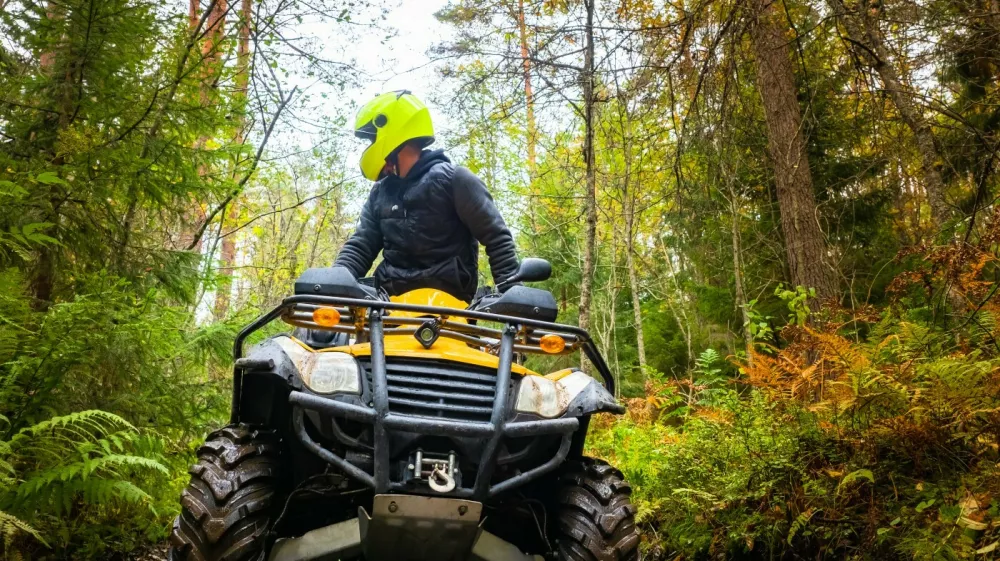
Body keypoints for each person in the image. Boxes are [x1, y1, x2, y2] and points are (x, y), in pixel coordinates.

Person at [334, 90, 519, 302]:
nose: (370, 146)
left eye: (372, 139)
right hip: (387, 305)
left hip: (450, 306)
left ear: (390, 129)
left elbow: (497, 238)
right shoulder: (381, 192)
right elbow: (362, 244)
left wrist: (511, 292)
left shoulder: (455, 180)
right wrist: (336, 278)